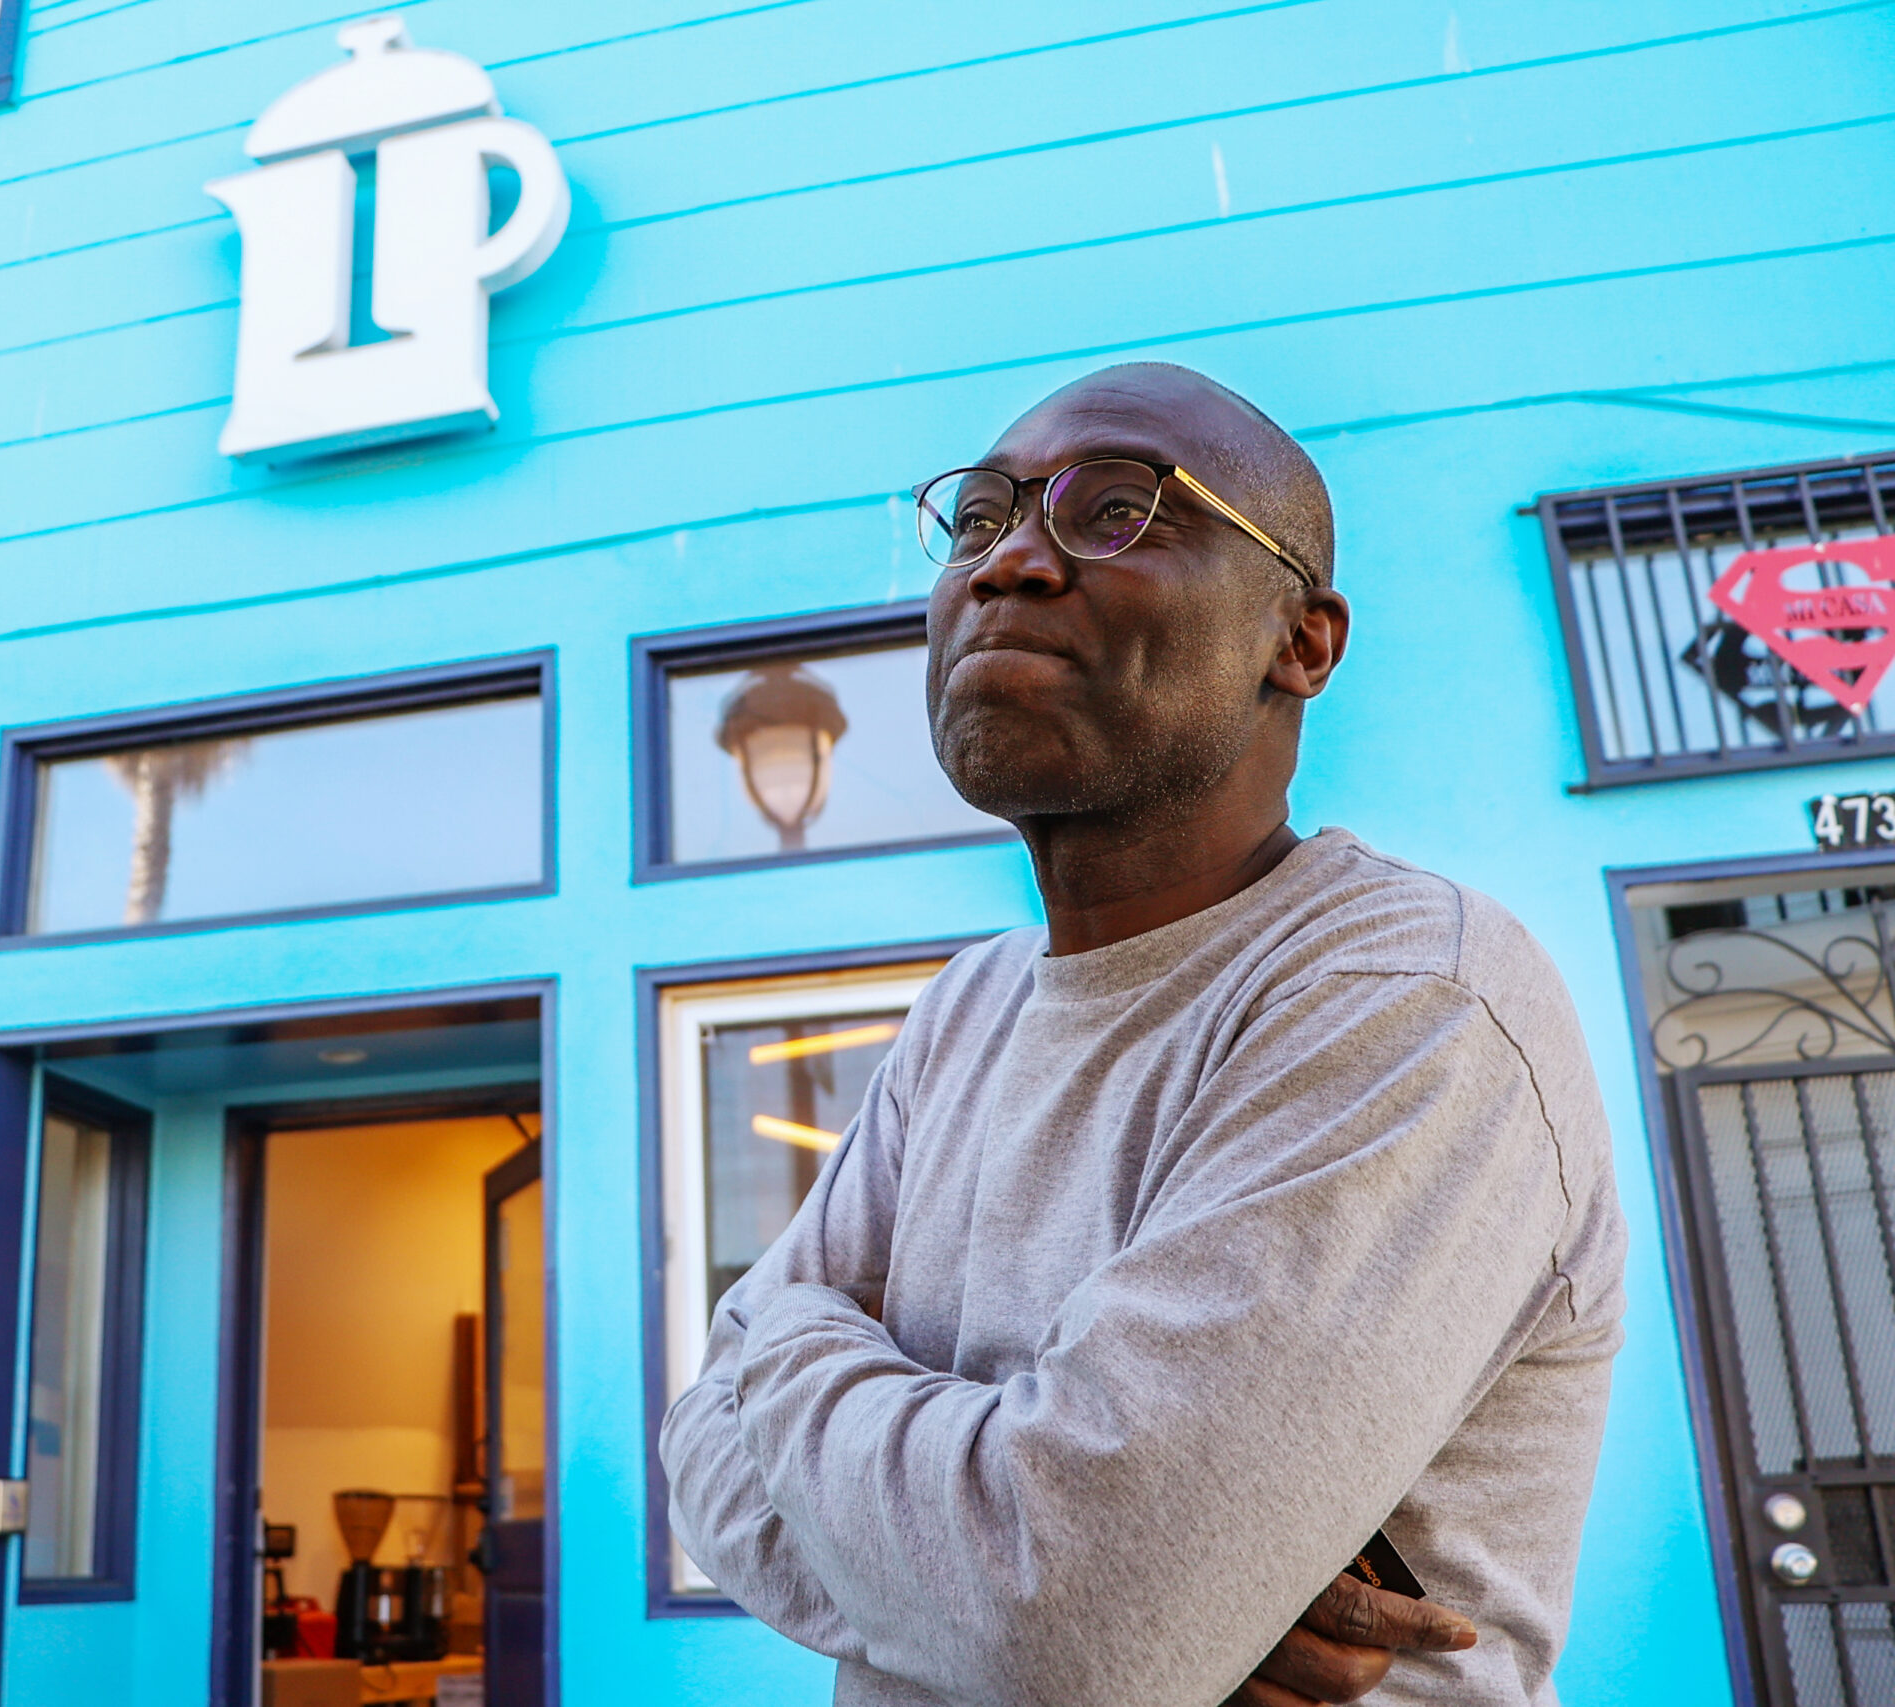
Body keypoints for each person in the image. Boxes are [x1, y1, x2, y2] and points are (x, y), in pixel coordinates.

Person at [660, 363, 1626, 1707]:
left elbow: (1069, 1613)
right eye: (977, 522)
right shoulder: (966, 1011)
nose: (1010, 564)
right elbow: (701, 1463)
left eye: (1115, 511)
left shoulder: (1410, 994)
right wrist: (1124, 1591)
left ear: (1302, 641)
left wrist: (785, 1347)